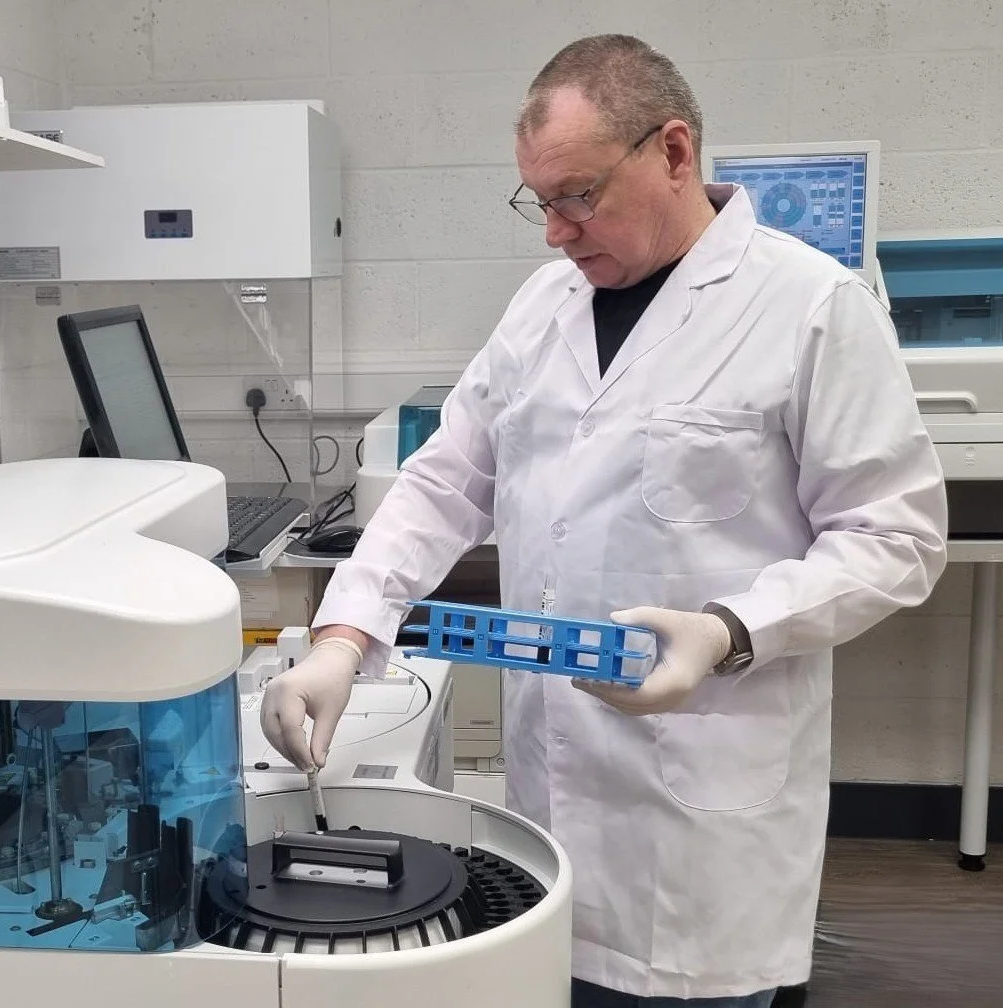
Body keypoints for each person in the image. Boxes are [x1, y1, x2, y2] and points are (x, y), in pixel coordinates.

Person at [260, 34, 949, 1007]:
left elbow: (895, 537)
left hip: (702, 809)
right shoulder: (543, 306)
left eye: (576, 195)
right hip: (551, 795)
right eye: (537, 200)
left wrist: (725, 631)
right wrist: (343, 633)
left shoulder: (807, 307)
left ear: (673, 153)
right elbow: (445, 479)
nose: (553, 230)